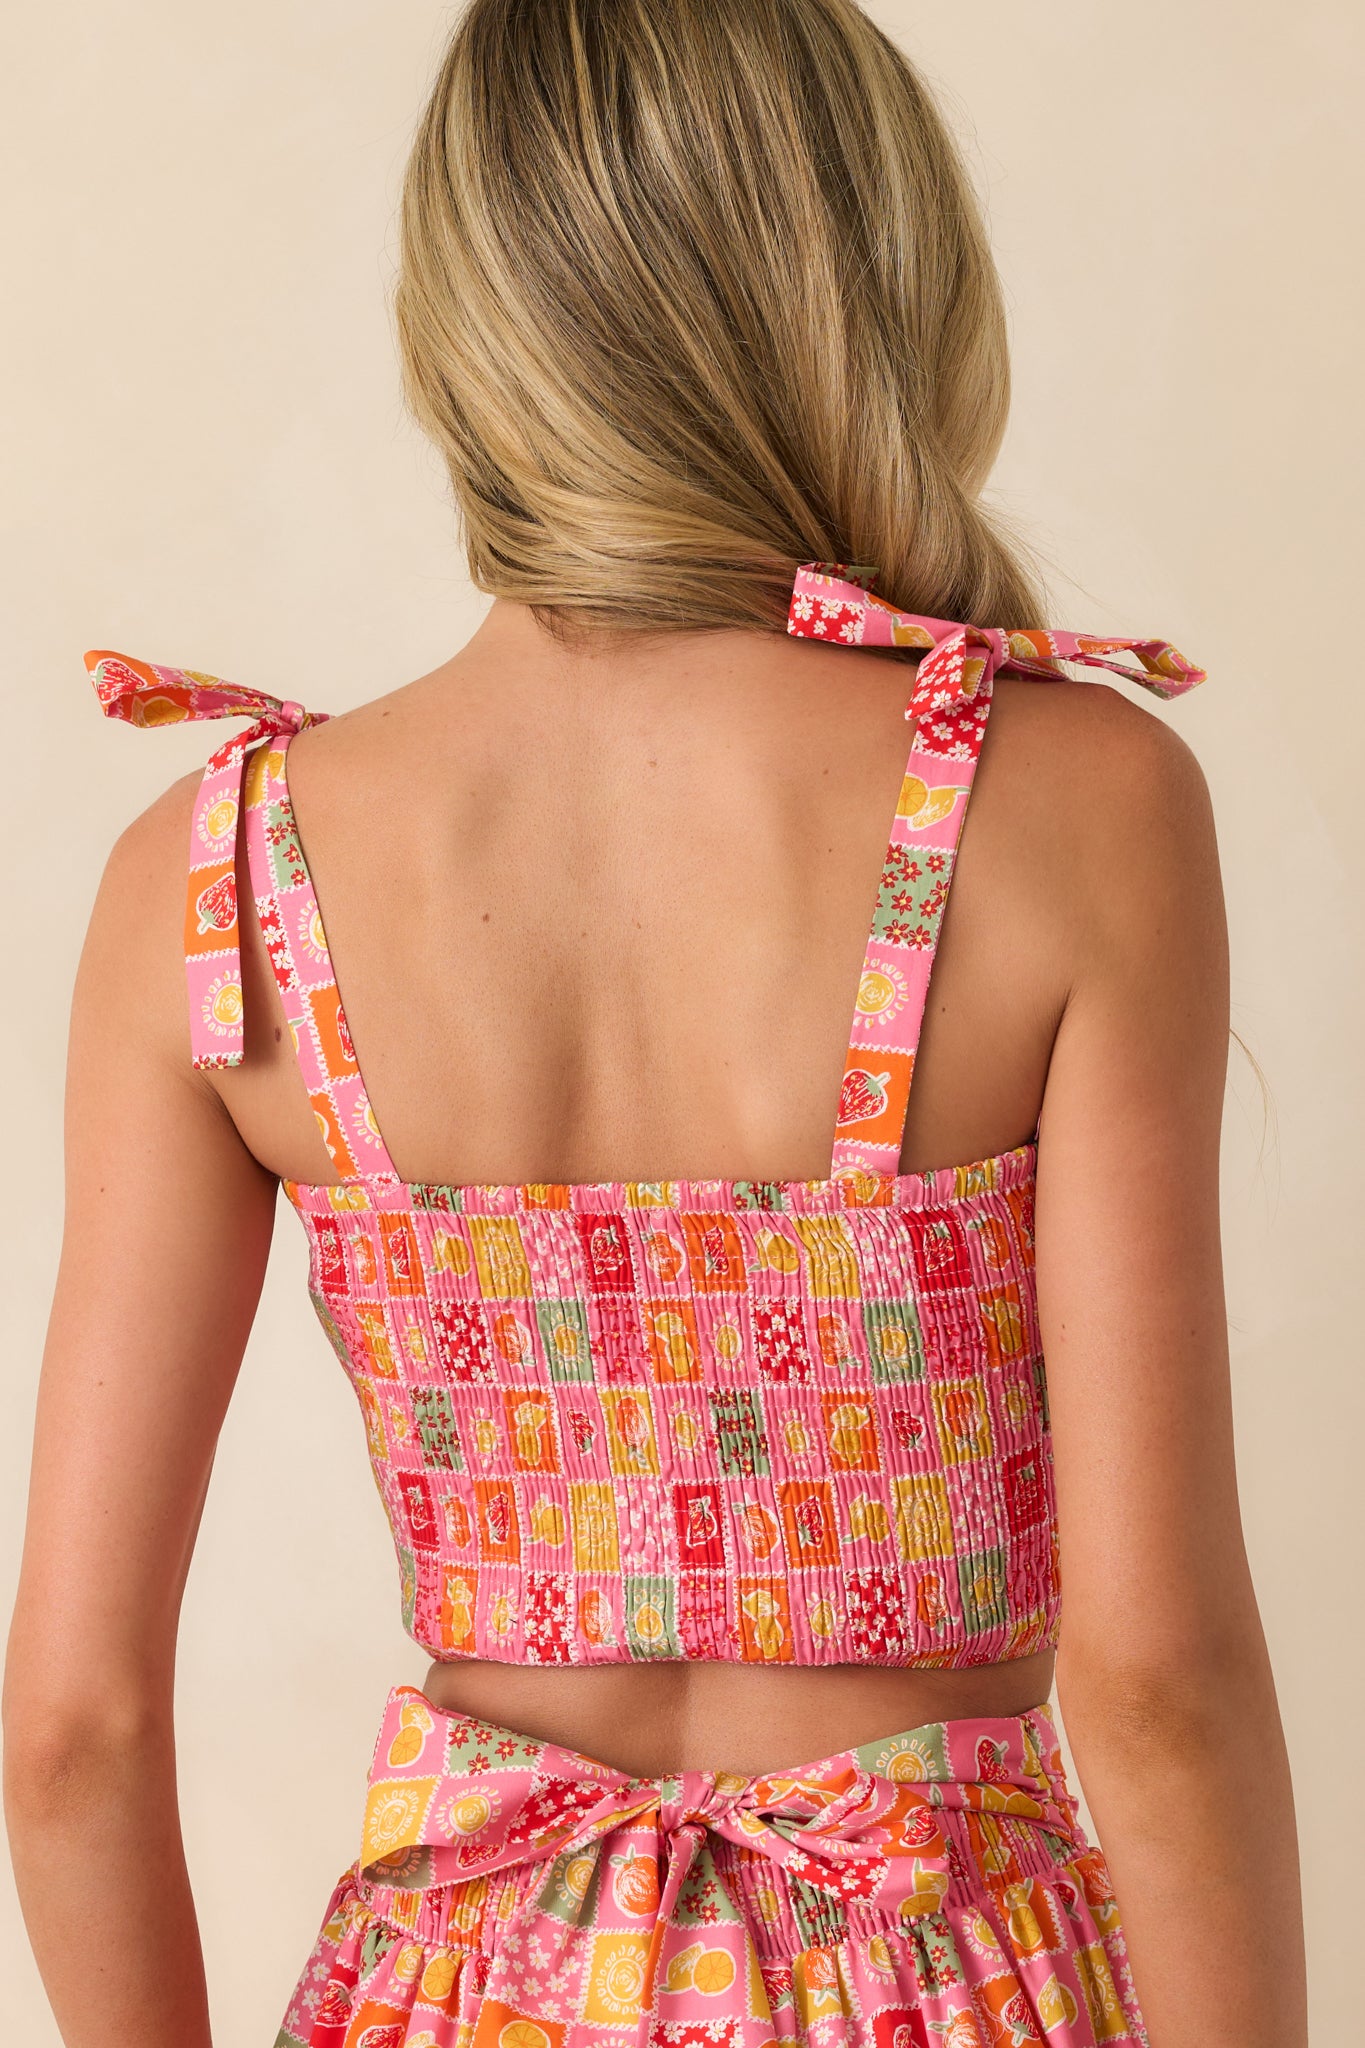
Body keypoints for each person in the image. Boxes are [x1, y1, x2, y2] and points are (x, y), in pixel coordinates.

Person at [3, 3, 1307, 2046]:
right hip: (946, 1982)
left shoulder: (225, 866)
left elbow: (70, 1723)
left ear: (470, 327)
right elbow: (1153, 1682)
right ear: (874, 286)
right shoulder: (1063, 803)